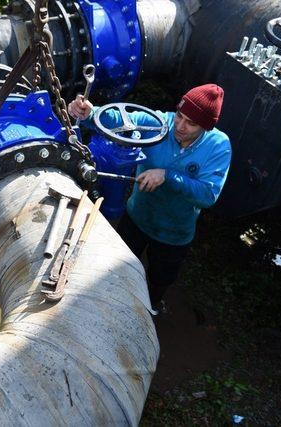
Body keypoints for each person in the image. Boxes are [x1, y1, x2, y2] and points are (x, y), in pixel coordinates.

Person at [68, 83, 232, 308]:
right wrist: (91, 113)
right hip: (137, 217)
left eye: (191, 123)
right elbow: (124, 120)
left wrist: (168, 176)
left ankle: (153, 305)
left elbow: (208, 194)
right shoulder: (161, 123)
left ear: (206, 126)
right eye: (180, 116)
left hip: (174, 234)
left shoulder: (218, 147)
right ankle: (112, 304)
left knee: (159, 279)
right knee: (117, 268)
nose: (180, 126)